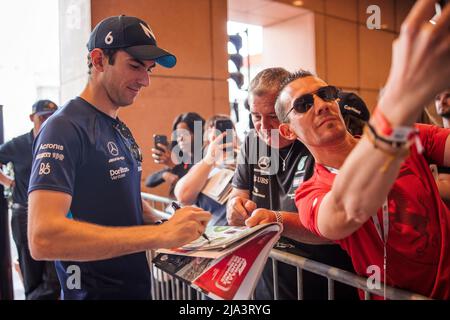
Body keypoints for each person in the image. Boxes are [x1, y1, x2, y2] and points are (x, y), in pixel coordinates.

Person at [273, 0, 450, 299]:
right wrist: (398, 100)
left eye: (326, 94)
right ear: (288, 130)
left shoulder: (410, 136)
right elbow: (344, 213)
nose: (321, 105)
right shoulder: (310, 192)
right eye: (303, 105)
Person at [27, 15, 211, 300]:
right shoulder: (64, 127)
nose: (146, 80)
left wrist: (172, 225)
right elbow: (43, 238)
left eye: (149, 69)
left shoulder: (117, 126)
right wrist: (160, 236)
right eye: (135, 66)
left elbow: (122, 199)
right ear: (99, 60)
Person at [227, 68, 357, 300]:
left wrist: (275, 220)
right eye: (256, 117)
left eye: (273, 117)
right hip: (271, 280)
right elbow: (236, 198)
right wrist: (235, 208)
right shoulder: (252, 142)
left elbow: (334, 226)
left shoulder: (320, 141)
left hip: (325, 280)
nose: (263, 127)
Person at [0, 100, 60, 300]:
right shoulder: (18, 145)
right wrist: (8, 182)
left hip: (52, 213)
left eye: (51, 117)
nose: (47, 122)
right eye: (42, 117)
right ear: (31, 118)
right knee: (30, 268)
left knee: (55, 272)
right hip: (24, 213)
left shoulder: (58, 142)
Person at [175, 115, 238, 226]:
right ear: (206, 135)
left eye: (225, 127)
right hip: (210, 232)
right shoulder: (203, 164)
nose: (217, 131)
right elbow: (183, 196)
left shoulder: (244, 158)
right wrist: (210, 159)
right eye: (212, 127)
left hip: (239, 231)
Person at [146, 112, 205, 197]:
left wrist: (174, 166)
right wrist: (164, 175)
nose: (180, 139)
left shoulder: (207, 158)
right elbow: (149, 182)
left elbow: (192, 187)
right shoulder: (183, 158)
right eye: (178, 135)